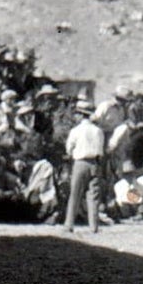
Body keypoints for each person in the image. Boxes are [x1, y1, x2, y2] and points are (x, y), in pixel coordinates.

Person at [63, 97, 106, 232]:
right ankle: (94, 226)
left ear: (81, 115)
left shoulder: (75, 130)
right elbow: (101, 148)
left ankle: (69, 224)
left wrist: (72, 153)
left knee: (75, 194)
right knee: (93, 195)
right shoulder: (98, 130)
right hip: (95, 162)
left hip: (80, 162)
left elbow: (69, 148)